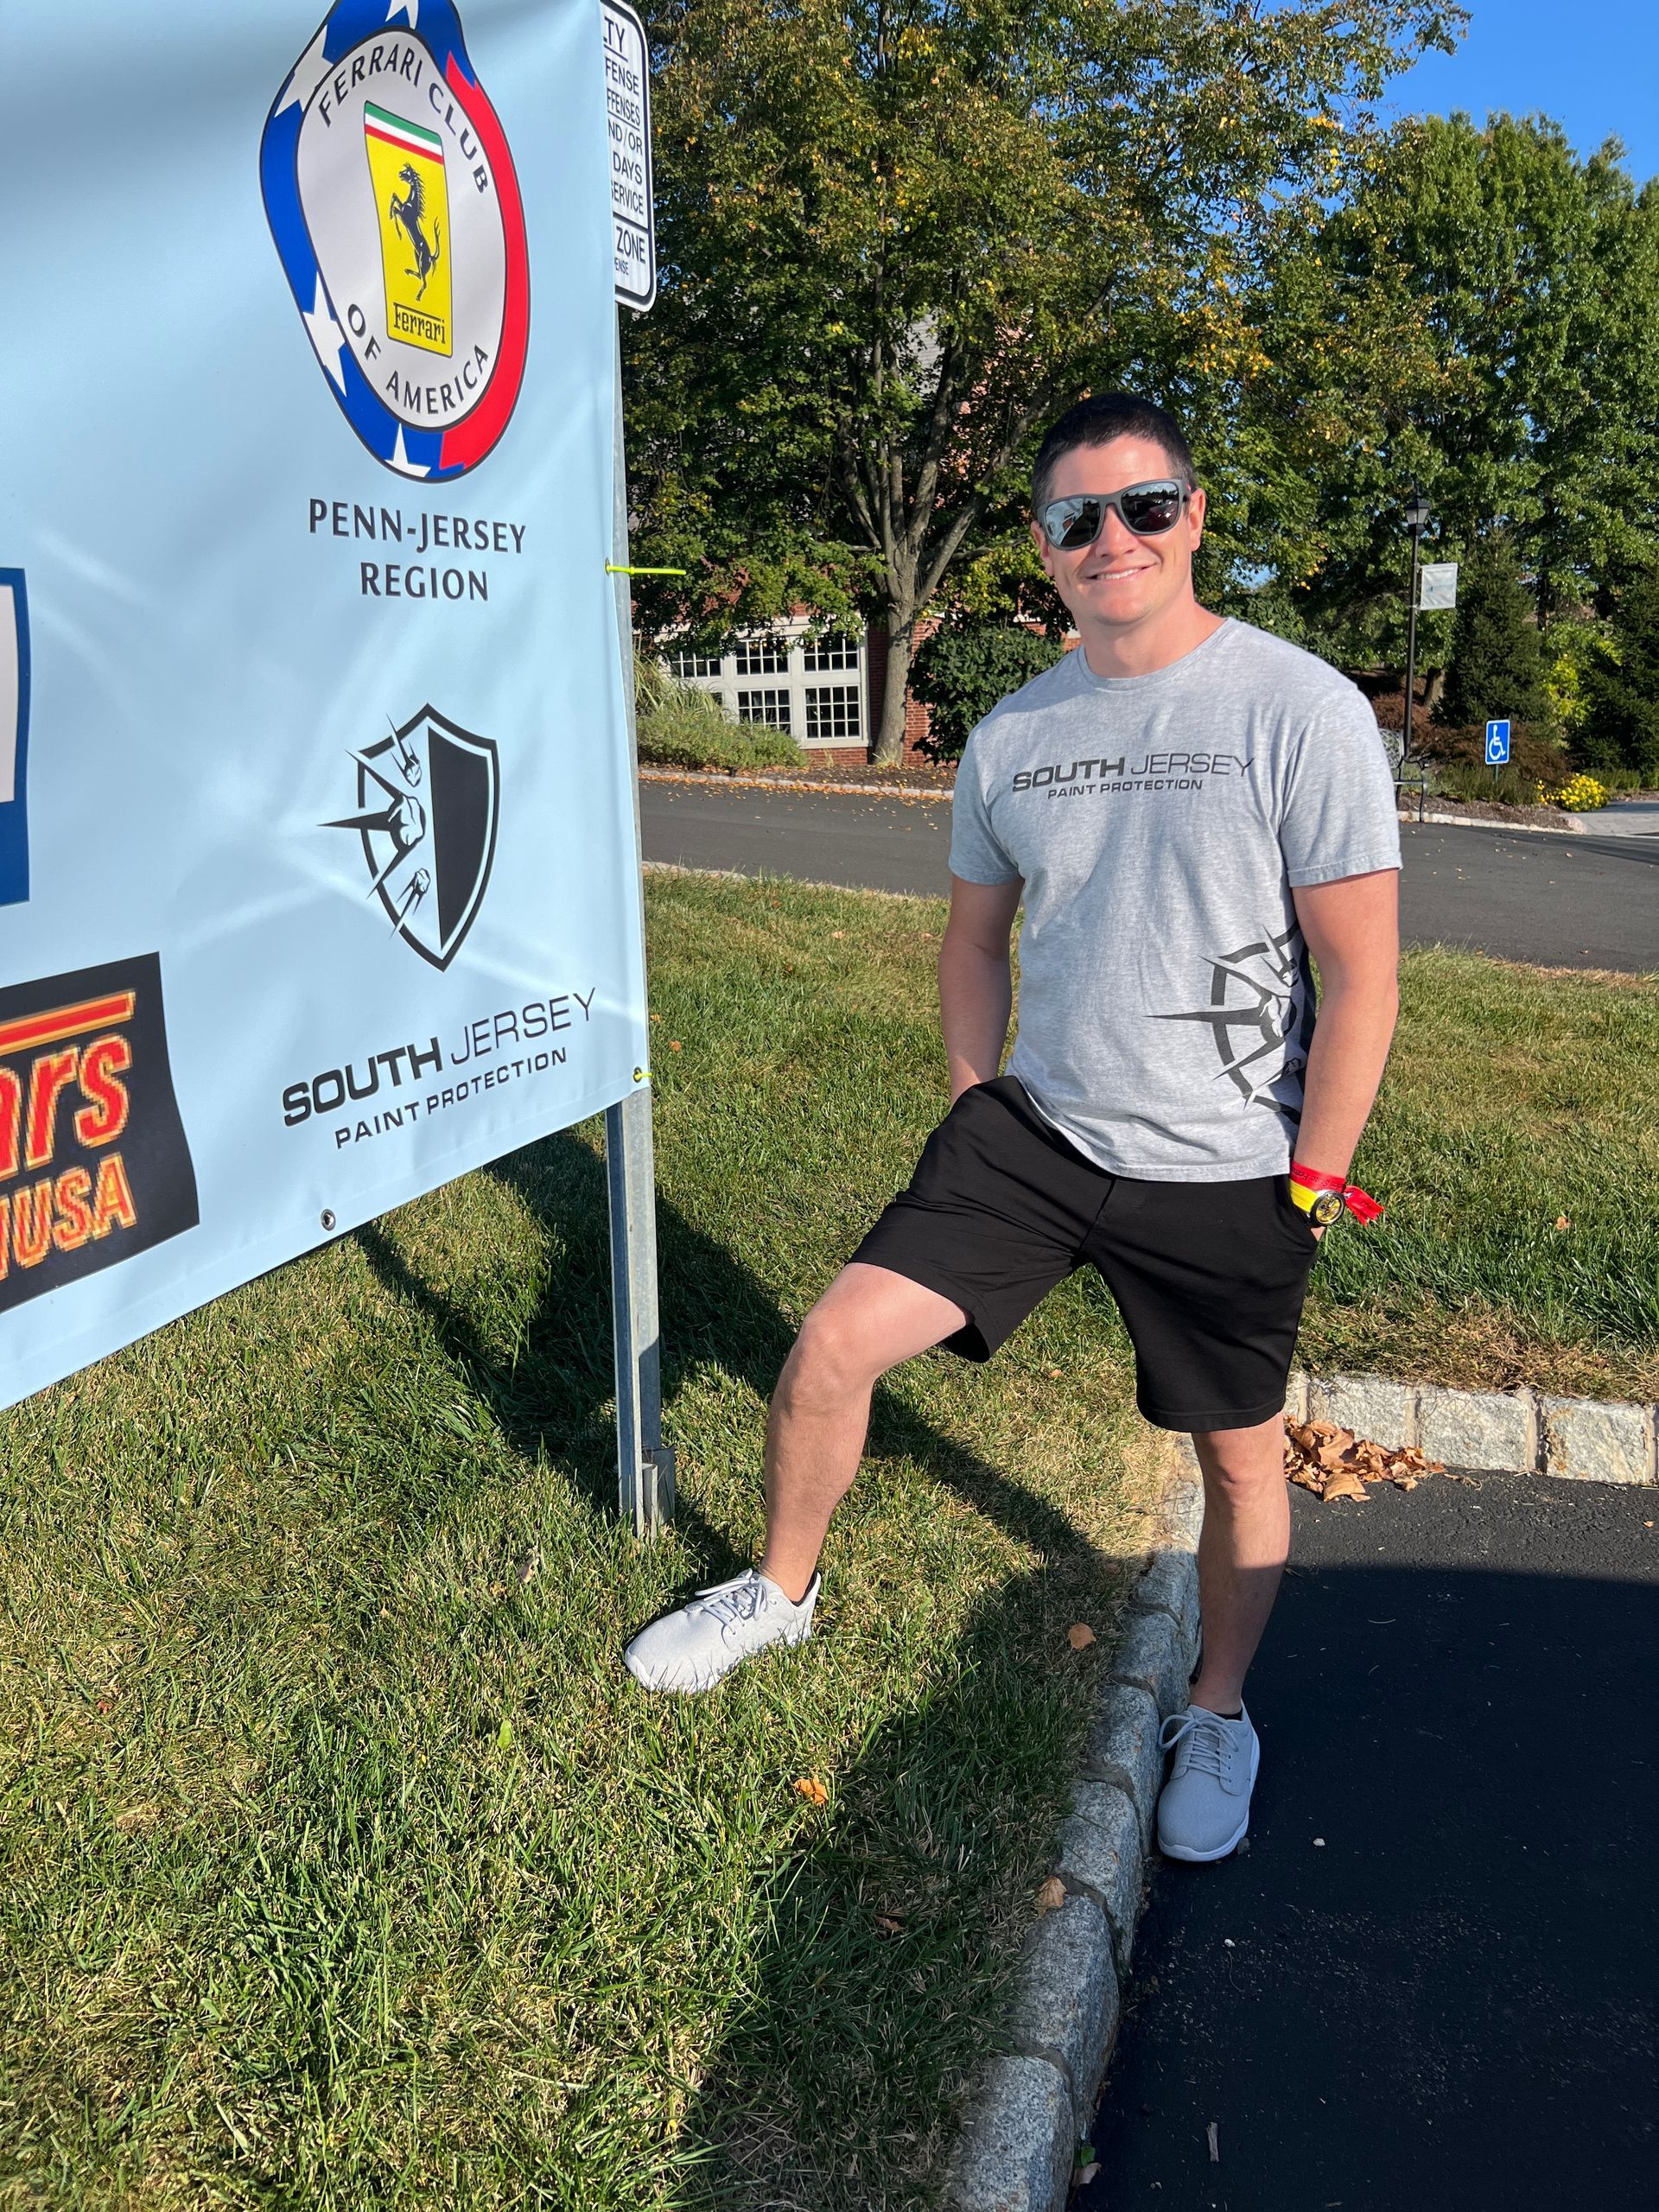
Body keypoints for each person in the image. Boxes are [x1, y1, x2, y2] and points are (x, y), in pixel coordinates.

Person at [626, 391, 1401, 1864]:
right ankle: (779, 1598)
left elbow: (1363, 968)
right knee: (834, 1344)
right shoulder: (1014, 733)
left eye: (1145, 506)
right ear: (1043, 550)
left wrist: (1316, 1175)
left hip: (1232, 1163)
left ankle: (1219, 1708)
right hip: (1035, 1138)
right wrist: (977, 1089)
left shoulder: (1299, 709)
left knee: (1240, 1459)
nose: (1113, 538)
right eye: (1076, 519)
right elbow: (974, 940)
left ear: (1194, 517)